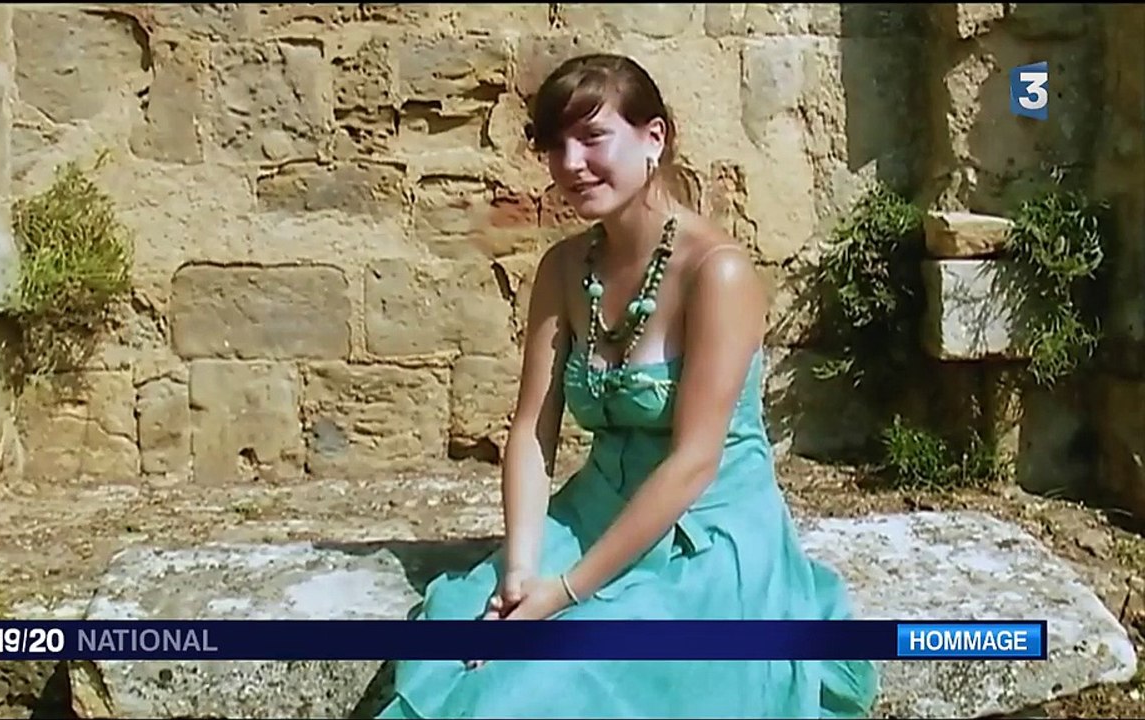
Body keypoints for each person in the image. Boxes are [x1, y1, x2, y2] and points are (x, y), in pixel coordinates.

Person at [374, 53, 879, 719]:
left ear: (654, 137)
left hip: (702, 536)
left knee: (540, 683)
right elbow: (532, 428)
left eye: (592, 138)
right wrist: (523, 567)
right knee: (463, 632)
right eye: (555, 145)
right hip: (593, 512)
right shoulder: (562, 267)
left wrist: (564, 592)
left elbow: (694, 462)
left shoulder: (717, 273)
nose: (570, 163)